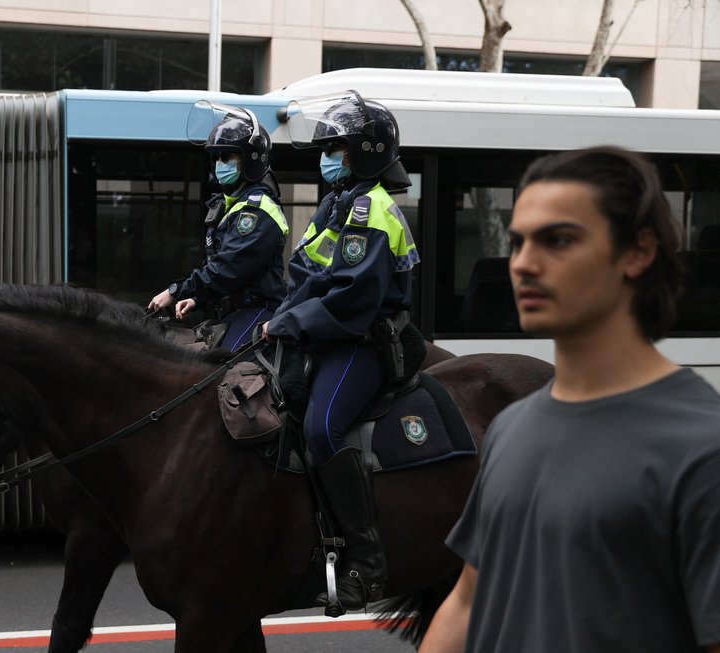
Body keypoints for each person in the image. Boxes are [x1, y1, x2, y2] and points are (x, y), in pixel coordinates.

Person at [418, 146, 720, 653]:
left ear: (638, 252)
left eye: (558, 240)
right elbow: (467, 603)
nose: (522, 264)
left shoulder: (701, 446)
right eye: (517, 243)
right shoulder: (511, 426)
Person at [261, 91, 420, 613]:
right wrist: (283, 318)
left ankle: (365, 561)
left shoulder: (373, 209)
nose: (328, 157)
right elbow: (306, 274)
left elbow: (352, 298)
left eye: (339, 149)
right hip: (324, 335)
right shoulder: (336, 205)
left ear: (366, 153)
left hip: (361, 341)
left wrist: (290, 322)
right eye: (327, 149)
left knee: (320, 429)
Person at [148, 104, 289, 351]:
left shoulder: (258, 210)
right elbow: (215, 266)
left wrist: (177, 290)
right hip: (233, 311)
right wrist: (197, 298)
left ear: (251, 159)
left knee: (218, 372)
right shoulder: (230, 204)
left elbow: (229, 268)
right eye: (216, 157)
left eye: (227, 156)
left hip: (259, 311)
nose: (219, 164)